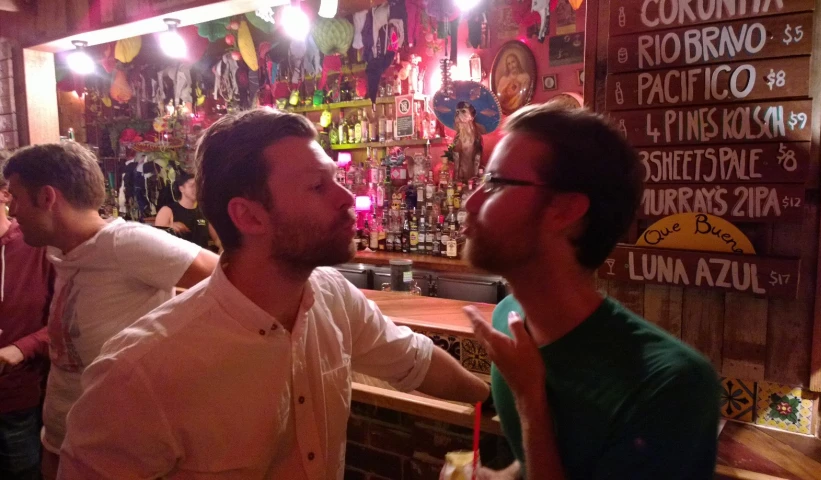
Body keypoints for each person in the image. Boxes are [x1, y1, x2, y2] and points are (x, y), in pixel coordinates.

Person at [58, 109, 490, 479]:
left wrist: (497, 398)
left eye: (336, 181)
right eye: (318, 187)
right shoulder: (137, 375)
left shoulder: (331, 296)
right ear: (248, 216)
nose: (348, 198)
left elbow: (415, 361)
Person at [460, 104, 720, 479]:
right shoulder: (510, 320)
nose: (471, 202)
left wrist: (531, 400)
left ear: (564, 211)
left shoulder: (673, 388)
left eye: (497, 183)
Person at [2, 142, 219, 479]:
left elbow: (226, 279)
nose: (11, 210)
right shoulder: (60, 252)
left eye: (14, 197)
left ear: (47, 198)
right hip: (63, 438)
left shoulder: (126, 243)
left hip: (122, 451)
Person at [0, 151, 53, 480]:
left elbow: (66, 320)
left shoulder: (36, 244)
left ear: (5, 195)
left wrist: (20, 348)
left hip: (16, 398)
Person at [155, 172, 220, 252]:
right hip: (178, 260)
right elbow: (156, 241)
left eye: (199, 186)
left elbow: (217, 239)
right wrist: (170, 227)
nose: (197, 189)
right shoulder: (167, 210)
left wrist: (225, 249)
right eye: (192, 186)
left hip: (200, 260)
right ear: (181, 188)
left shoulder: (204, 211)